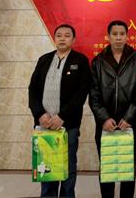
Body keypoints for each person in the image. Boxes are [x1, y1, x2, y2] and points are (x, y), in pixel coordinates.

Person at [28, 24, 92, 198]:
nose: (62, 38)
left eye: (67, 35)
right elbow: (33, 89)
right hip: (44, 125)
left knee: (67, 166)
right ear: (54, 38)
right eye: (59, 35)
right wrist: (40, 114)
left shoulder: (80, 61)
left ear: (73, 39)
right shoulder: (44, 59)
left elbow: (82, 92)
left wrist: (62, 116)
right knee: (46, 166)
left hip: (67, 125)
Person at [89, 20, 136, 198]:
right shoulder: (98, 61)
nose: (118, 37)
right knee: (107, 166)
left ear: (127, 36)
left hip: (128, 123)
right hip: (105, 124)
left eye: (122, 34)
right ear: (108, 37)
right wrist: (103, 118)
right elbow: (94, 94)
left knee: (127, 167)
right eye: (114, 34)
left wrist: (129, 117)